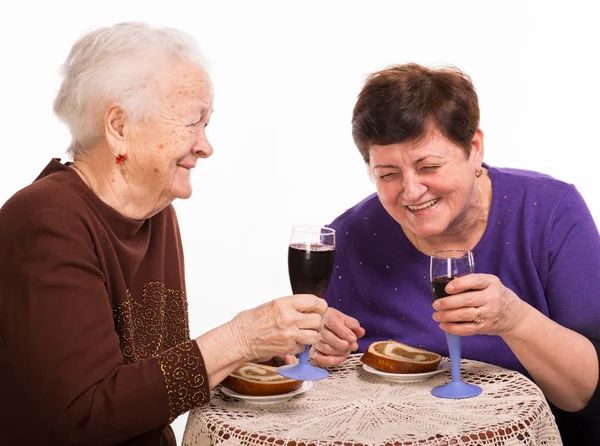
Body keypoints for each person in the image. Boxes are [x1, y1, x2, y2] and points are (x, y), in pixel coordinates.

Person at [0, 22, 362, 446]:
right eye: (193, 122)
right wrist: (239, 337)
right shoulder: (48, 222)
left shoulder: (154, 211)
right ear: (118, 125)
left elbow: (141, 379)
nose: (205, 146)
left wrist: (261, 345)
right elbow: (88, 415)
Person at [322, 63, 600, 444]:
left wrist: (513, 319)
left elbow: (583, 393)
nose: (412, 191)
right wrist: (313, 346)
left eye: (429, 166)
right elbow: (329, 387)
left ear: (474, 148)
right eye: (388, 174)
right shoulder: (348, 237)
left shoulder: (551, 212)